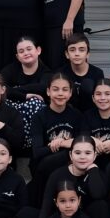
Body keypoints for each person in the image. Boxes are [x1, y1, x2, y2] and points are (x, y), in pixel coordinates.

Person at [29, 73, 84, 205]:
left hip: (70, 164)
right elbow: (36, 152)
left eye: (65, 90)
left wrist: (63, 143)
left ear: (70, 93)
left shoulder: (76, 115)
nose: (60, 93)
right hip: (44, 166)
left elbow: (82, 144)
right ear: (48, 91)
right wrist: (56, 145)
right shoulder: (39, 117)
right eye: (55, 89)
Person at [59, 33, 105, 113]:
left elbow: (101, 97)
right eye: (72, 50)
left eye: (81, 50)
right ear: (67, 54)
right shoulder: (61, 73)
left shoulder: (97, 73)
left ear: (88, 54)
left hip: (91, 115)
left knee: (88, 84)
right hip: (68, 115)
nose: (77, 54)